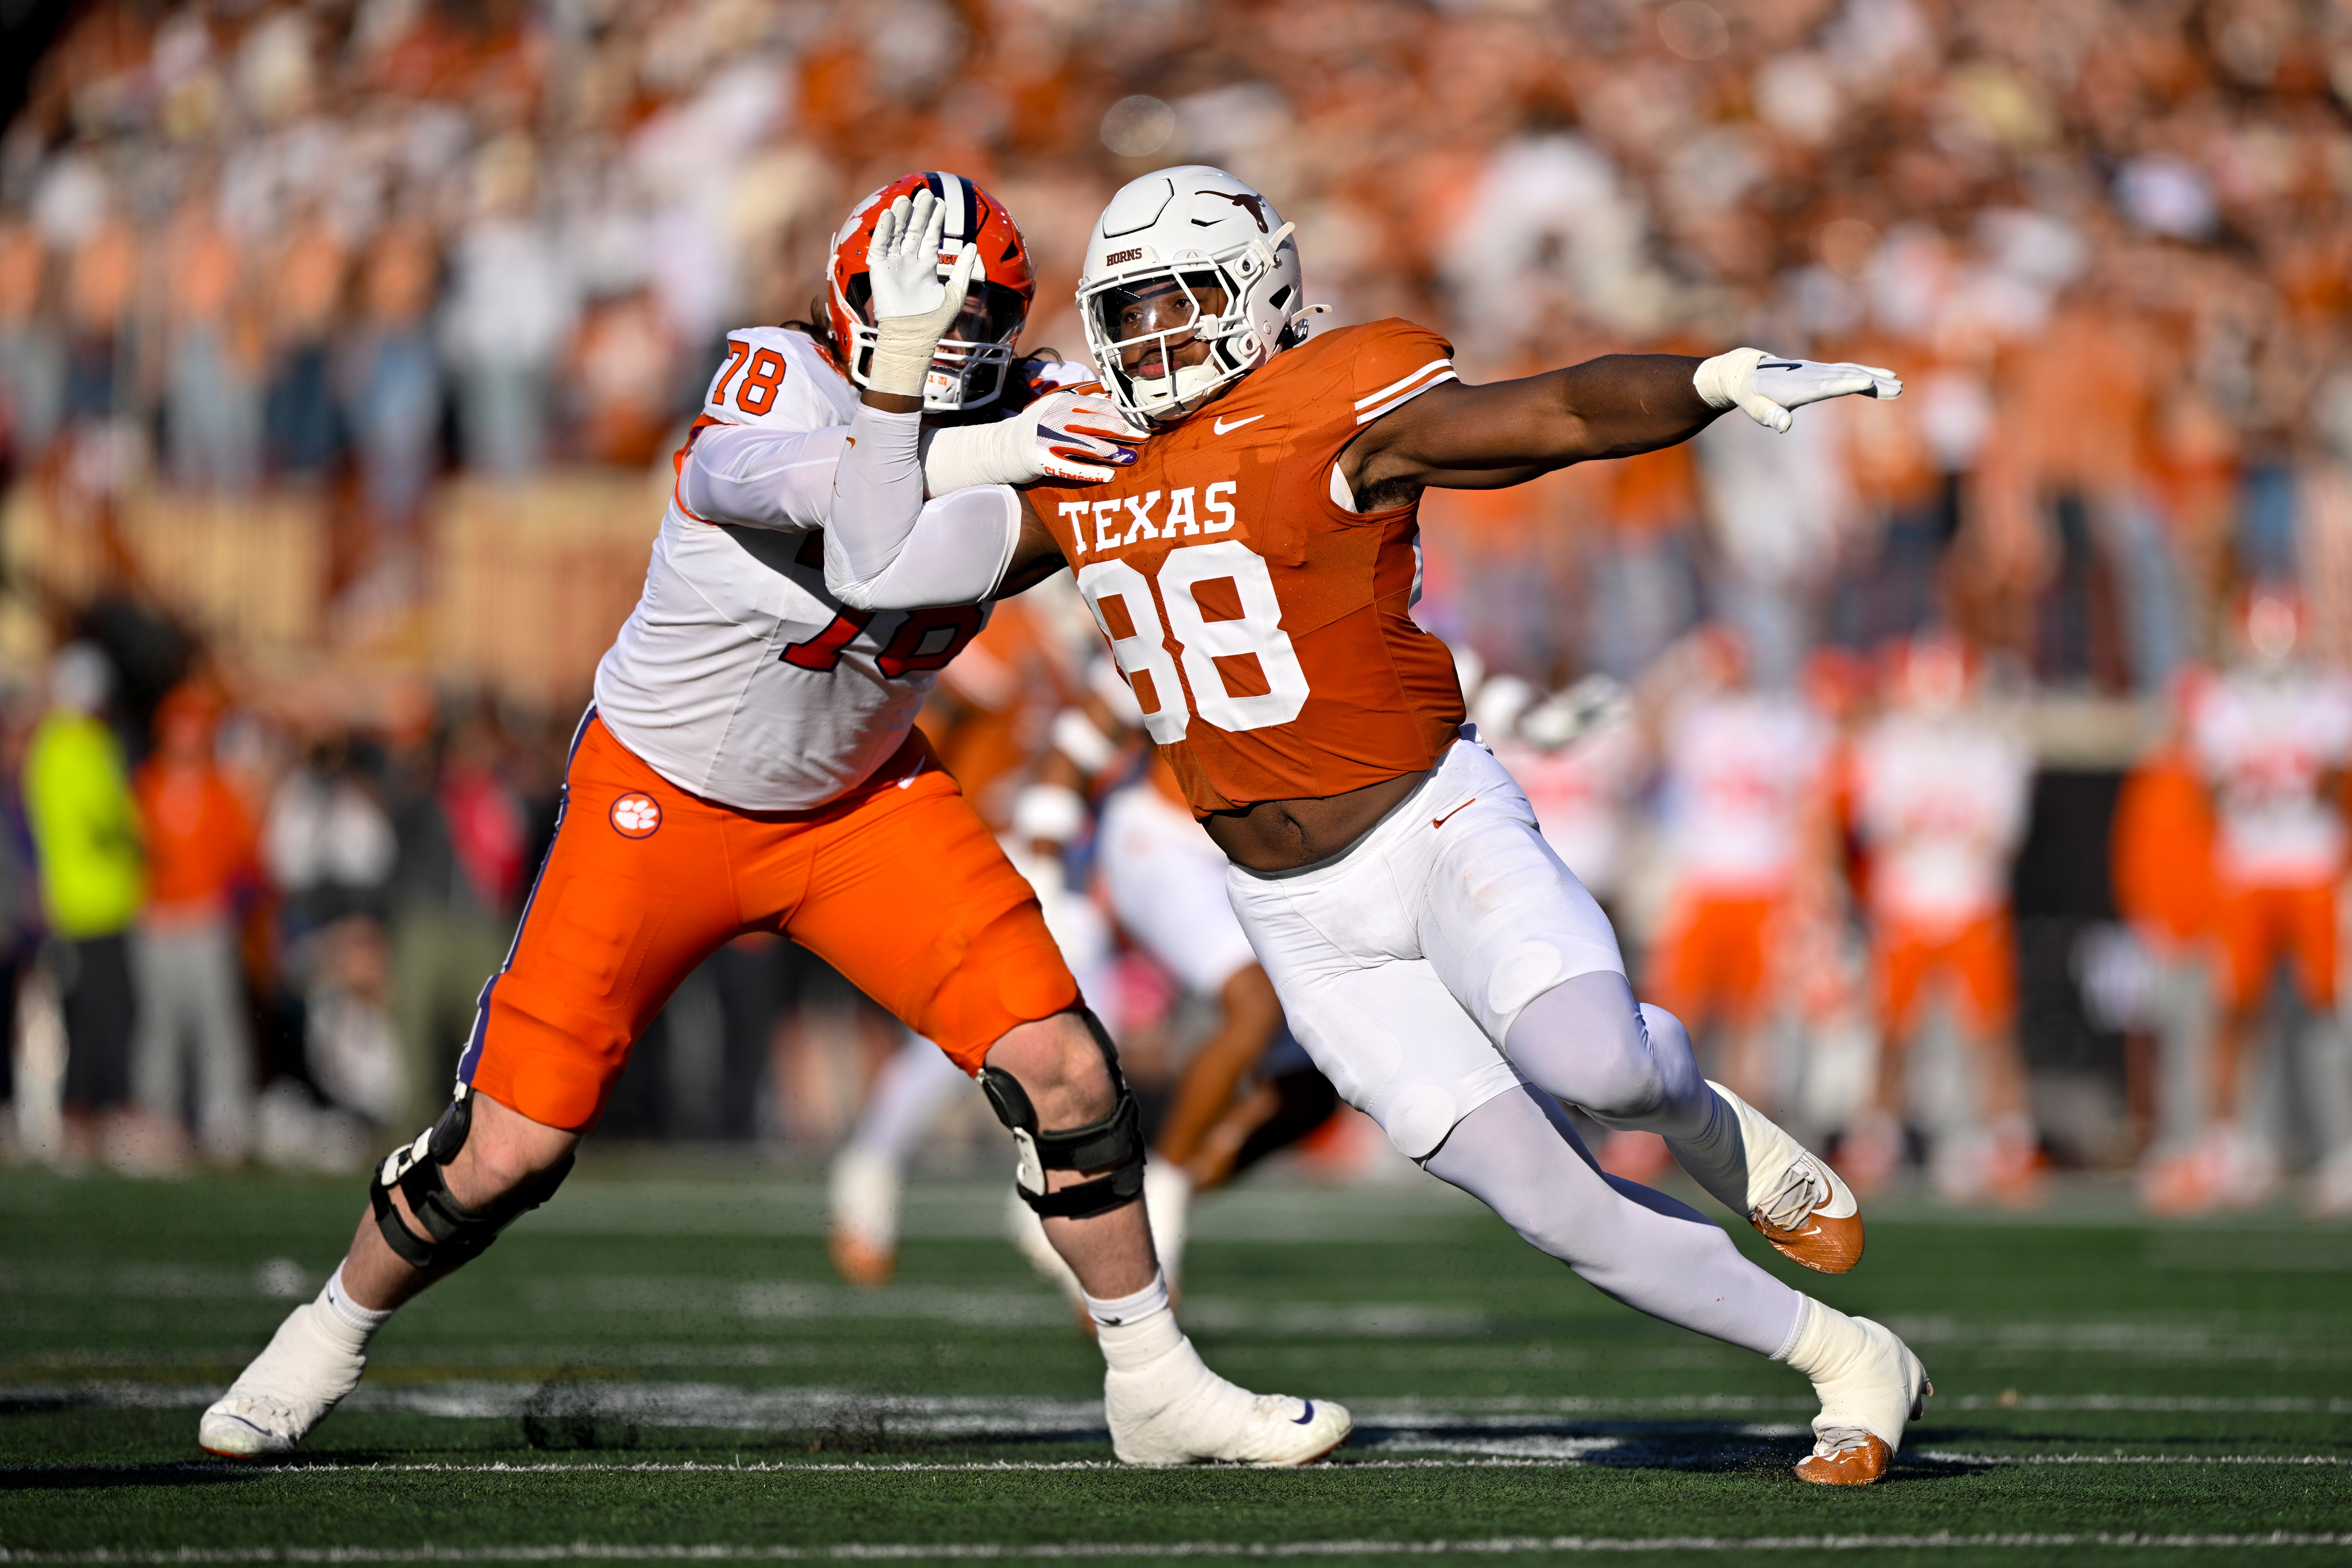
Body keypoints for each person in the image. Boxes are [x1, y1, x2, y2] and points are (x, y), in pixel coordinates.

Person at [200, 174, 1347, 1471]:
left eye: (973, 318)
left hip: (859, 803)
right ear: (846, 299)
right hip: (662, 798)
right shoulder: (775, 375)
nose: (945, 341)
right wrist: (971, 437)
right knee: (511, 1148)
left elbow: (1193, 432)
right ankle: (324, 1332)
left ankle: (1153, 1381)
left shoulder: (1035, 401)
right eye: (916, 311)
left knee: (1069, 1069)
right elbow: (784, 487)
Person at [822, 165, 1929, 1485]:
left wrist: (1708, 380)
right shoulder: (1080, 450)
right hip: (1289, 911)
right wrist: (887, 396)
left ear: (1260, 292)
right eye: (1128, 311)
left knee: (1601, 1065)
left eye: (1181, 300)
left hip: (1431, 820)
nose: (1154, 337)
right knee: (1551, 1204)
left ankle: (1711, 1126)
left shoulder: (1334, 395)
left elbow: (1555, 411)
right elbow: (884, 561)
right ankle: (1850, 1358)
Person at [1844, 634, 2037, 1203]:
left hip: (1972, 902)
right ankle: (1876, 1136)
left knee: (1991, 1028)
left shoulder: (1994, 749)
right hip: (1907, 904)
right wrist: (1946, 830)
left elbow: (2000, 837)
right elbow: (1881, 829)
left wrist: (1932, 830)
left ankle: (2008, 1139)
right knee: (1892, 1028)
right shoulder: (1888, 746)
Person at [129, 683, 260, 1167]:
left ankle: (225, 1119)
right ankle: (158, 1118)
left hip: (206, 919)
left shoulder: (221, 789)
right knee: (159, 1025)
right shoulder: (145, 785)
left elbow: (243, 856)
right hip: (158, 921)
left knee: (216, 1022)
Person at [22, 642, 143, 1163]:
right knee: (101, 1016)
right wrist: (137, 839)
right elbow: (102, 817)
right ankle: (92, 1117)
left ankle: (89, 1118)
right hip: (91, 903)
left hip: (94, 901)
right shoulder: (74, 746)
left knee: (98, 1013)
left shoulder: (57, 746)